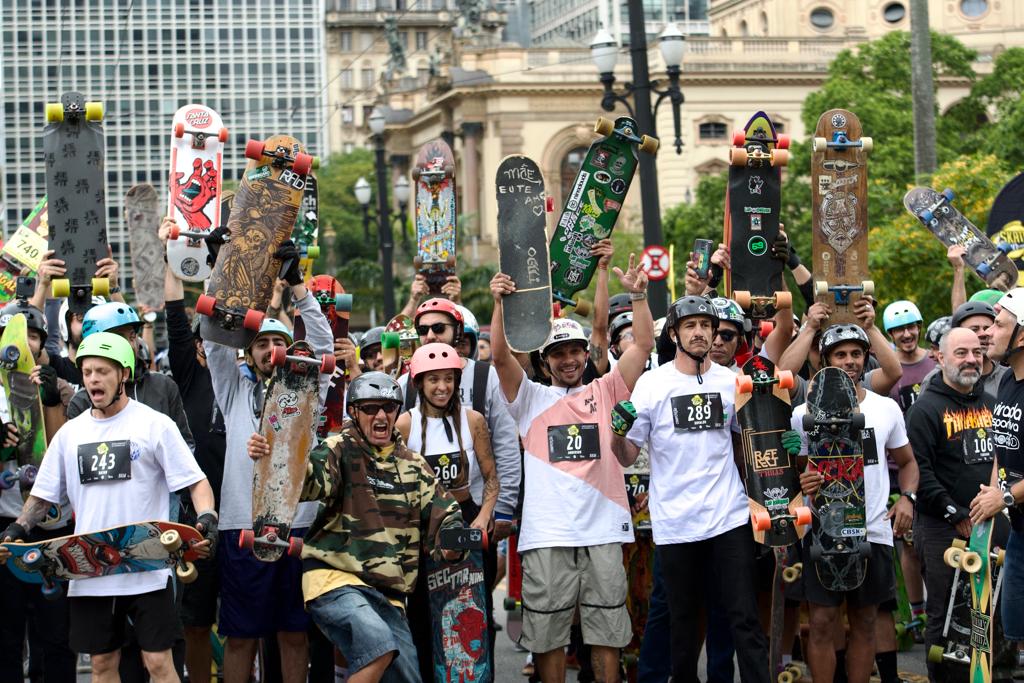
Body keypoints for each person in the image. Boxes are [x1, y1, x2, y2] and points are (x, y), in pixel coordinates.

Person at [0, 332, 216, 683]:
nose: (93, 380)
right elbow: (42, 496)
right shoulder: (71, 434)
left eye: (102, 371)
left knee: (159, 662)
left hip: (148, 564)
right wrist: (17, 528)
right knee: (102, 665)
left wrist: (207, 517)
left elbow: (196, 482)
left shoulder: (154, 424)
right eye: (86, 372)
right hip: (90, 568)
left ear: (124, 375)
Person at [488, 252, 652, 683]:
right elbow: (502, 358)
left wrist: (637, 294)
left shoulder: (608, 388)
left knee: (608, 632)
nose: (568, 360)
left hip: (603, 531)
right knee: (547, 636)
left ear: (585, 354)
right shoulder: (530, 401)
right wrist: (500, 303)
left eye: (575, 351)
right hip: (547, 536)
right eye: (557, 353)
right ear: (544, 361)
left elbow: (644, 346)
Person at [247, 371, 466, 682]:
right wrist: (274, 454)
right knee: (378, 645)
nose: (381, 415)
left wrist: (453, 540)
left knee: (407, 676)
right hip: (334, 578)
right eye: (370, 408)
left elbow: (446, 514)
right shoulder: (339, 448)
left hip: (389, 592)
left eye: (389, 408)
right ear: (354, 412)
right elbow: (307, 483)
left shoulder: (414, 465)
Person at [609, 295, 769, 683]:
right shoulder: (653, 383)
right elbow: (627, 456)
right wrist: (615, 433)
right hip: (676, 523)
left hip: (728, 518)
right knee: (682, 626)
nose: (700, 333)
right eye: (691, 326)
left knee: (744, 618)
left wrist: (780, 444)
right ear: (676, 334)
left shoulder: (731, 381)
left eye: (706, 326)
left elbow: (751, 440)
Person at [205, 245, 334, 683]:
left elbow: (322, 342)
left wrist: (299, 286)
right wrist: (221, 274)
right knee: (240, 637)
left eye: (280, 342)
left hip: (299, 524)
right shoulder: (234, 393)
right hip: (241, 526)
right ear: (250, 353)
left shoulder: (308, 389)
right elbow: (213, 342)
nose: (272, 350)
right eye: (262, 343)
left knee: (294, 633)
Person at [791, 323, 919, 683]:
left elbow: (908, 462)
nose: (849, 361)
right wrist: (805, 483)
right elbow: (799, 474)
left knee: (865, 620)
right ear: (826, 360)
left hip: (873, 529)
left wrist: (907, 498)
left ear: (866, 358)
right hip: (822, 532)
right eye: (840, 354)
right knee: (820, 622)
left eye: (856, 354)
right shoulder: (803, 415)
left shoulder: (885, 408)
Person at [396, 342, 501, 679]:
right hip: (424, 528)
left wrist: (483, 518)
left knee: (474, 615)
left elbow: (491, 479)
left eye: (448, 379)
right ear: (419, 384)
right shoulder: (404, 425)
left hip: (467, 520)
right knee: (426, 619)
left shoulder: (473, 421)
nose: (442, 387)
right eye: (433, 380)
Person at [159, 216, 228, 682]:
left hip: (245, 513)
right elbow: (175, 317)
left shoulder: (248, 378)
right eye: (205, 337)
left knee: (250, 626)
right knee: (197, 622)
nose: (210, 342)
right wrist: (171, 253)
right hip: (196, 518)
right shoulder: (187, 372)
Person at [906, 327, 996, 681]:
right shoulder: (925, 409)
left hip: (990, 526)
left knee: (988, 612)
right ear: (939, 357)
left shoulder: (991, 403)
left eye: (976, 352)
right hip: (944, 529)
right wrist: (955, 514)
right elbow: (919, 472)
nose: (971, 359)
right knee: (945, 616)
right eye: (961, 353)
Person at [0, 301, 75, 683]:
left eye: (35, 336)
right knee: (8, 632)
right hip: (6, 520)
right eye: (20, 336)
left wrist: (50, 401)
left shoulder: (59, 384)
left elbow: (64, 453)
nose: (28, 344)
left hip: (52, 522)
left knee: (55, 632)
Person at [970, 288, 1024, 649]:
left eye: (999, 324)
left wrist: (1002, 498)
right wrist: (992, 497)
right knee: (1017, 633)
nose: (987, 332)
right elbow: (1000, 449)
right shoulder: (1006, 379)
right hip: (1020, 529)